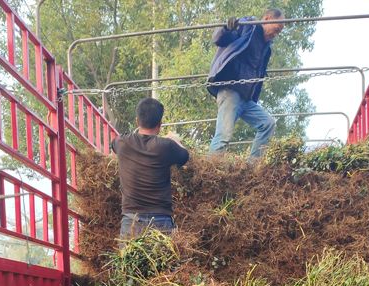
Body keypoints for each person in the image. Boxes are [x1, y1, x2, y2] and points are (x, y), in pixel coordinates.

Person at [208, 8, 285, 158]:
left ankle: (252, 169)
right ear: (267, 19)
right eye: (276, 29)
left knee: (268, 124)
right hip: (231, 91)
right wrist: (226, 28)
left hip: (246, 98)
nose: (276, 34)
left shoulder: (266, 48)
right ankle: (209, 174)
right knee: (223, 135)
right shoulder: (248, 26)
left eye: (279, 32)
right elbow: (219, 39)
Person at [110, 97, 190, 239]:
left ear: (137, 121)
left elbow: (113, 147)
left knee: (129, 261)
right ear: (160, 124)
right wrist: (175, 140)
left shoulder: (122, 142)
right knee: (163, 261)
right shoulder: (166, 146)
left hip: (132, 222)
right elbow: (185, 156)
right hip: (161, 222)